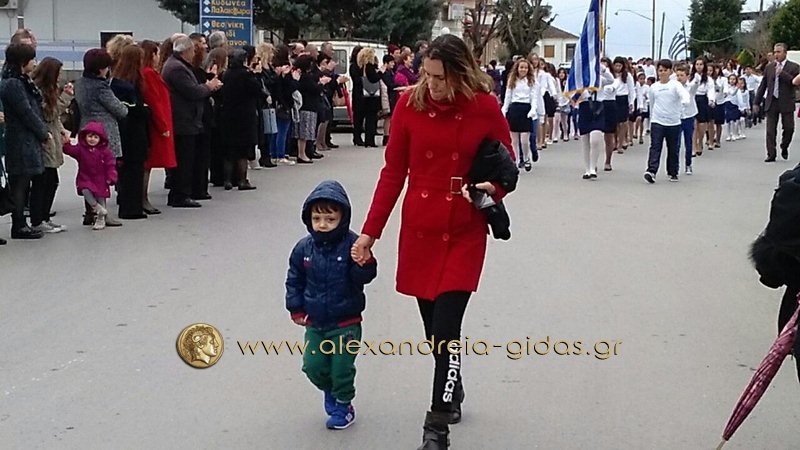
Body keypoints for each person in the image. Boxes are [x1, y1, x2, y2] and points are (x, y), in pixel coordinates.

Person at [350, 34, 513, 450]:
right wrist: (370, 233)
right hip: (420, 229)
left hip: (463, 228)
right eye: (427, 75)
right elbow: (393, 173)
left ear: (460, 73)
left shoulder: (483, 106)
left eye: (440, 77)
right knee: (433, 334)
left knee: (446, 329)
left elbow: (506, 166)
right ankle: (452, 384)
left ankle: (436, 427)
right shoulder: (409, 105)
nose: (433, 84)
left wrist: (491, 189)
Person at [285, 180, 377, 430]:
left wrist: (364, 263)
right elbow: (294, 279)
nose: (323, 224)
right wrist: (296, 308)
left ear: (342, 218)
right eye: (317, 219)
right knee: (312, 366)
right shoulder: (303, 248)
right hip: (315, 323)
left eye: (330, 219)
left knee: (341, 368)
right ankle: (331, 391)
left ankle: (344, 405)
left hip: (346, 323)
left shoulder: (352, 245)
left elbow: (363, 277)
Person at [161, 36, 222, 207]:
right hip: (183, 119)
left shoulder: (177, 65)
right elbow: (192, 91)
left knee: (187, 158)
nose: (194, 54)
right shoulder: (177, 68)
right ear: (186, 51)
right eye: (193, 50)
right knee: (184, 160)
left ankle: (182, 193)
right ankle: (180, 195)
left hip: (186, 118)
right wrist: (208, 86)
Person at [0, 43, 51, 239]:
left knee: (24, 181)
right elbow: (26, 112)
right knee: (20, 183)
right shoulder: (14, 84)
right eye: (32, 59)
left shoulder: (19, 81)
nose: (34, 63)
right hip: (20, 139)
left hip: (24, 138)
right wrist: (43, 133)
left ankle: (22, 222)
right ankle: (19, 224)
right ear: (23, 62)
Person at [75, 48, 128, 226]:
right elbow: (120, 110)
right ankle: (102, 213)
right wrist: (124, 106)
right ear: (100, 69)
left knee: (87, 171)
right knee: (101, 174)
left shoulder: (80, 83)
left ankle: (89, 211)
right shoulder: (101, 87)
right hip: (103, 131)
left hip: (85, 127)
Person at [110, 44, 150, 219]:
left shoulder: (118, 81)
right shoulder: (128, 85)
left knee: (129, 169)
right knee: (133, 169)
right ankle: (131, 208)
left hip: (126, 130)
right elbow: (132, 108)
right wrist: (145, 110)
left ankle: (129, 204)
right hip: (133, 131)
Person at [31, 57, 68, 233]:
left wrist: (61, 130)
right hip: (45, 138)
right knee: (45, 181)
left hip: (52, 135)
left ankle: (44, 217)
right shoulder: (40, 91)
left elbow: (56, 118)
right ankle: (38, 219)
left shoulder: (50, 89)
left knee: (51, 181)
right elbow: (50, 113)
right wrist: (66, 98)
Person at [140, 40, 176, 215]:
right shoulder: (148, 74)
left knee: (147, 164)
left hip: (156, 123)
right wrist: (162, 125)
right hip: (156, 125)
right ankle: (142, 198)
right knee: (147, 164)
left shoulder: (149, 73)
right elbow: (154, 101)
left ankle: (142, 198)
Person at [62, 122, 117, 230]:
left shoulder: (105, 152)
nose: (92, 139)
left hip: (101, 178)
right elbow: (70, 151)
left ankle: (101, 219)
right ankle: (97, 208)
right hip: (85, 177)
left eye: (96, 137)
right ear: (85, 136)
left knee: (101, 197)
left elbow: (110, 165)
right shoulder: (81, 149)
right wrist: (67, 143)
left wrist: (111, 177)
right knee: (85, 190)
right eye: (90, 136)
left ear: (100, 139)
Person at [643, 59, 690, 184]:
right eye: (660, 70)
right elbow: (652, 103)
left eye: (665, 70)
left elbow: (684, 94)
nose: (662, 73)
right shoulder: (654, 87)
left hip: (673, 122)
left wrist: (685, 101)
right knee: (655, 147)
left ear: (670, 71)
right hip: (657, 121)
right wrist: (652, 120)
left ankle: (673, 171)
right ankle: (651, 171)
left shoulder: (675, 85)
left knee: (673, 148)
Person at [220, 49, 261, 190]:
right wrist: (256, 74)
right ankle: (242, 180)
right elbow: (257, 90)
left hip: (228, 114)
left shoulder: (226, 74)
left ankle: (227, 180)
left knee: (229, 151)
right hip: (244, 115)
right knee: (243, 151)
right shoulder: (246, 75)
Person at [755, 43, 800, 162]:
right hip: (772, 101)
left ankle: (784, 146)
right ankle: (771, 154)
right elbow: (763, 85)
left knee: (789, 128)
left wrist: (782, 73)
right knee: (770, 130)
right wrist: (756, 102)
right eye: (775, 52)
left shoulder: (794, 67)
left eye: (779, 52)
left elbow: (795, 83)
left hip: (786, 101)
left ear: (785, 53)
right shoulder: (769, 67)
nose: (776, 54)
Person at [501, 59, 544, 172]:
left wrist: (533, 109)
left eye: (525, 68)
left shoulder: (532, 81)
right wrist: (504, 109)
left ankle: (526, 157)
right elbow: (508, 96)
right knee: (514, 140)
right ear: (517, 68)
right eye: (521, 67)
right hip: (514, 109)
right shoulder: (512, 80)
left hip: (526, 109)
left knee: (524, 139)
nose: (523, 70)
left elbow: (534, 97)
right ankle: (515, 161)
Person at [355, 47, 381, 148]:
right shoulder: (369, 67)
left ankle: (367, 139)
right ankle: (370, 140)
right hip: (371, 96)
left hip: (362, 95)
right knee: (371, 118)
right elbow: (373, 79)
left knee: (366, 118)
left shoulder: (360, 67)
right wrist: (380, 72)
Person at [674, 65, 697, 175]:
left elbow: (696, 83)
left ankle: (688, 164)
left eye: (682, 75)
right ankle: (675, 166)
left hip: (688, 116)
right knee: (676, 143)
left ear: (687, 76)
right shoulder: (674, 87)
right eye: (677, 75)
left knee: (688, 141)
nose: (679, 78)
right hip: (677, 117)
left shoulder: (690, 87)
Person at [691, 57, 715, 156]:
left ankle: (700, 141)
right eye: (697, 64)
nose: (699, 66)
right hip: (693, 99)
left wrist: (711, 100)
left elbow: (711, 90)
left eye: (701, 64)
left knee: (702, 125)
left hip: (703, 100)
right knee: (694, 125)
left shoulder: (708, 79)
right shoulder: (691, 77)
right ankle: (693, 146)